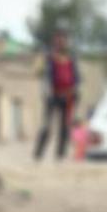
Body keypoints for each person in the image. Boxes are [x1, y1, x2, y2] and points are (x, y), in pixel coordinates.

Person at [34, 29, 80, 161]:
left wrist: (75, 91)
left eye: (63, 40)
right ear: (54, 42)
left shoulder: (71, 58)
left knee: (65, 127)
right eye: (58, 40)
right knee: (47, 125)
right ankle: (38, 154)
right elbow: (43, 76)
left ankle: (60, 155)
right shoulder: (48, 58)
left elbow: (76, 78)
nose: (61, 42)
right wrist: (46, 93)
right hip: (53, 95)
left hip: (69, 96)